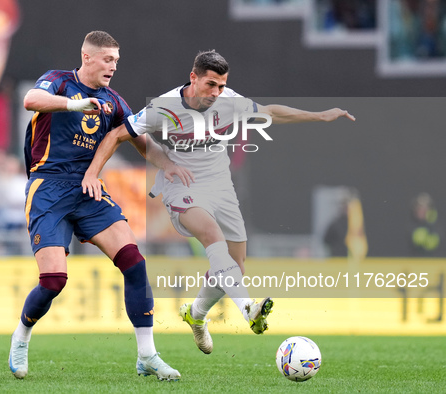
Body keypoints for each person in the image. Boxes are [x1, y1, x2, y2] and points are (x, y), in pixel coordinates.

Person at [82, 50, 356, 354]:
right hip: (181, 188)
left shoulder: (229, 101)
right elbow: (119, 134)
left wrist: (319, 116)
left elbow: (270, 112)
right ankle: (248, 308)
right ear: (193, 77)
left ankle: (196, 315)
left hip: (221, 187)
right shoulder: (163, 108)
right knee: (213, 237)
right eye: (211, 84)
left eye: (222, 86)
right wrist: (94, 173)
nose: (216, 93)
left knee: (235, 265)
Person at [9, 31, 180, 381]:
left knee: (134, 262)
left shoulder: (115, 101)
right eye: (108, 59)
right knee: (54, 280)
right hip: (48, 187)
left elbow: (142, 143)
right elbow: (31, 100)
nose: (113, 66)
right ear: (87, 57)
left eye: (116, 60)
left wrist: (173, 166)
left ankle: (147, 355)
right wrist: (75, 104)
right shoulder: (58, 82)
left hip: (88, 189)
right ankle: (22, 336)